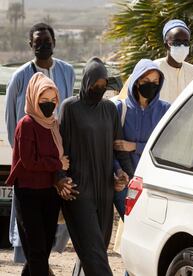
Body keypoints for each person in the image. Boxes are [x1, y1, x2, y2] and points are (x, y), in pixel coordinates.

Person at [4, 22, 75, 268]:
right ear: (31, 45)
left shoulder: (66, 71)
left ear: (54, 43)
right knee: (34, 242)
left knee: (44, 245)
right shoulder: (20, 78)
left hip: (53, 173)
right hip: (31, 176)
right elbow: (12, 121)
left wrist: (57, 166)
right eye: (38, 42)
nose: (43, 45)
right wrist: (30, 153)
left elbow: (63, 118)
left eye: (47, 41)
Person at [57, 57, 132, 276]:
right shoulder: (70, 107)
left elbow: (118, 147)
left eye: (103, 85)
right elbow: (60, 149)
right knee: (94, 253)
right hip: (79, 190)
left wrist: (124, 173)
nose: (99, 90)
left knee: (97, 249)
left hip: (105, 191)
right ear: (86, 82)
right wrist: (60, 176)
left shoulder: (109, 109)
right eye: (94, 85)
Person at [5, 72, 69, 276]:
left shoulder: (54, 125)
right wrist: (57, 163)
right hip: (28, 193)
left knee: (42, 250)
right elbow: (28, 161)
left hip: (50, 193)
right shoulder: (26, 124)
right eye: (44, 100)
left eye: (53, 100)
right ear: (33, 97)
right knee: (37, 250)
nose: (49, 104)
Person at [113, 59, 170, 220]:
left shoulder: (166, 110)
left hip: (153, 183)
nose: (151, 85)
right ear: (137, 81)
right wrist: (117, 171)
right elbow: (110, 148)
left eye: (155, 82)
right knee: (131, 224)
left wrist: (134, 146)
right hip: (125, 183)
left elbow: (166, 148)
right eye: (146, 81)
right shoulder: (120, 109)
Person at [116, 19, 193, 104]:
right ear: (166, 45)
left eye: (186, 43)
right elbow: (125, 101)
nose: (182, 46)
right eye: (176, 43)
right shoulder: (150, 70)